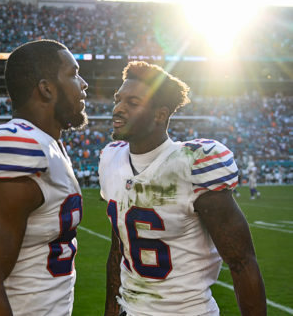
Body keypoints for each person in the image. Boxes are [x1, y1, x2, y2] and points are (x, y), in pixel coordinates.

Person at [99, 61, 266, 316]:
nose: (118, 109)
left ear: (160, 114)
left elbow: (241, 262)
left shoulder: (193, 164)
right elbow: (118, 248)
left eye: (132, 103)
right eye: (117, 99)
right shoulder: (111, 159)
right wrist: (111, 310)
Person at [0, 39, 88, 316]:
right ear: (46, 89)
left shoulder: (49, 145)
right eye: (73, 73)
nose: (83, 84)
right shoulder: (21, 146)